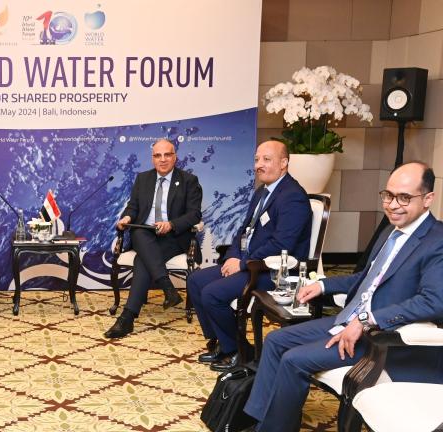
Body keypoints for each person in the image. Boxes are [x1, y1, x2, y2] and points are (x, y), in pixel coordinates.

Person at [244, 161, 443, 432]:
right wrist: (324, 286)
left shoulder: (437, 241)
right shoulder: (391, 230)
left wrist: (366, 320)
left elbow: (433, 301)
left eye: (404, 197)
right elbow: (367, 280)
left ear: (428, 199)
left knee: (293, 360)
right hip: (349, 319)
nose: (393, 205)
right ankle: (259, 421)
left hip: (381, 339)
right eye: (388, 195)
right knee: (276, 340)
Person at [187, 140, 311, 372]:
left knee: (212, 293)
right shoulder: (262, 192)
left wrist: (243, 263)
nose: (258, 165)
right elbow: (244, 231)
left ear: (284, 163)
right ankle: (224, 344)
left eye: (266, 159)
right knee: (195, 281)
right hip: (248, 263)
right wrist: (233, 257)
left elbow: (282, 244)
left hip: (272, 271)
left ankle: (237, 352)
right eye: (256, 159)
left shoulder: (292, 197)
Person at [104, 138, 203, 339]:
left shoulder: (189, 181)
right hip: (145, 234)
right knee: (139, 232)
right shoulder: (143, 179)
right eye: (158, 155)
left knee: (143, 260)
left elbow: (194, 215)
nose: (163, 159)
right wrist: (127, 217)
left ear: (175, 157)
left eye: (167, 154)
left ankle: (127, 318)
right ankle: (168, 289)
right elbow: (133, 206)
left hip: (173, 238)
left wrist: (171, 224)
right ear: (152, 159)